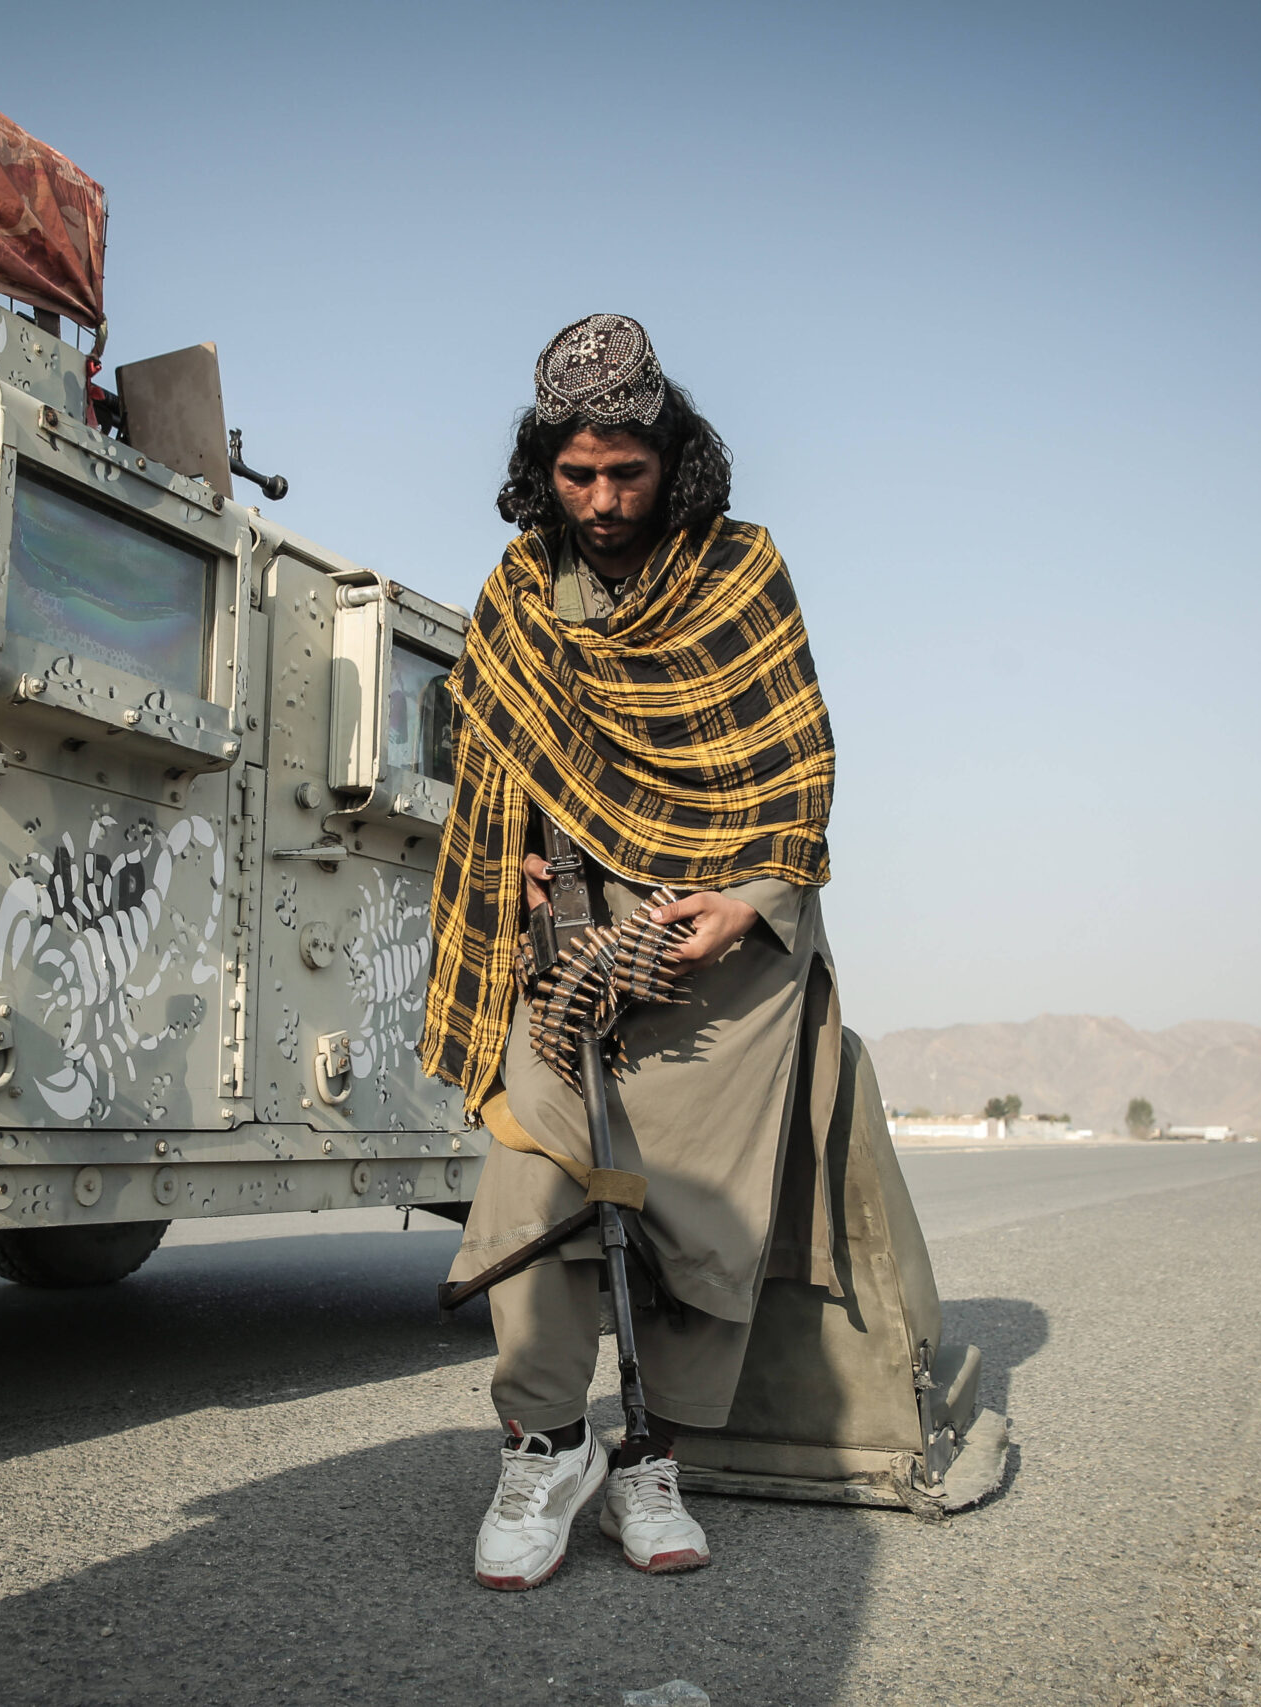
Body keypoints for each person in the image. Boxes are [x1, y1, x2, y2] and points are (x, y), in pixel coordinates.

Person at [420, 313, 844, 1591]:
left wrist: (749, 899)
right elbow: (485, 754)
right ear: (540, 466)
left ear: (676, 463)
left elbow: (797, 761)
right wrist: (520, 853)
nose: (602, 501)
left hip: (723, 946)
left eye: (628, 474)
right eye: (575, 475)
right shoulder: (514, 590)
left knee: (690, 1218)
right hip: (562, 941)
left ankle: (647, 1459)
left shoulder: (740, 570)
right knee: (535, 1179)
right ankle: (544, 1446)